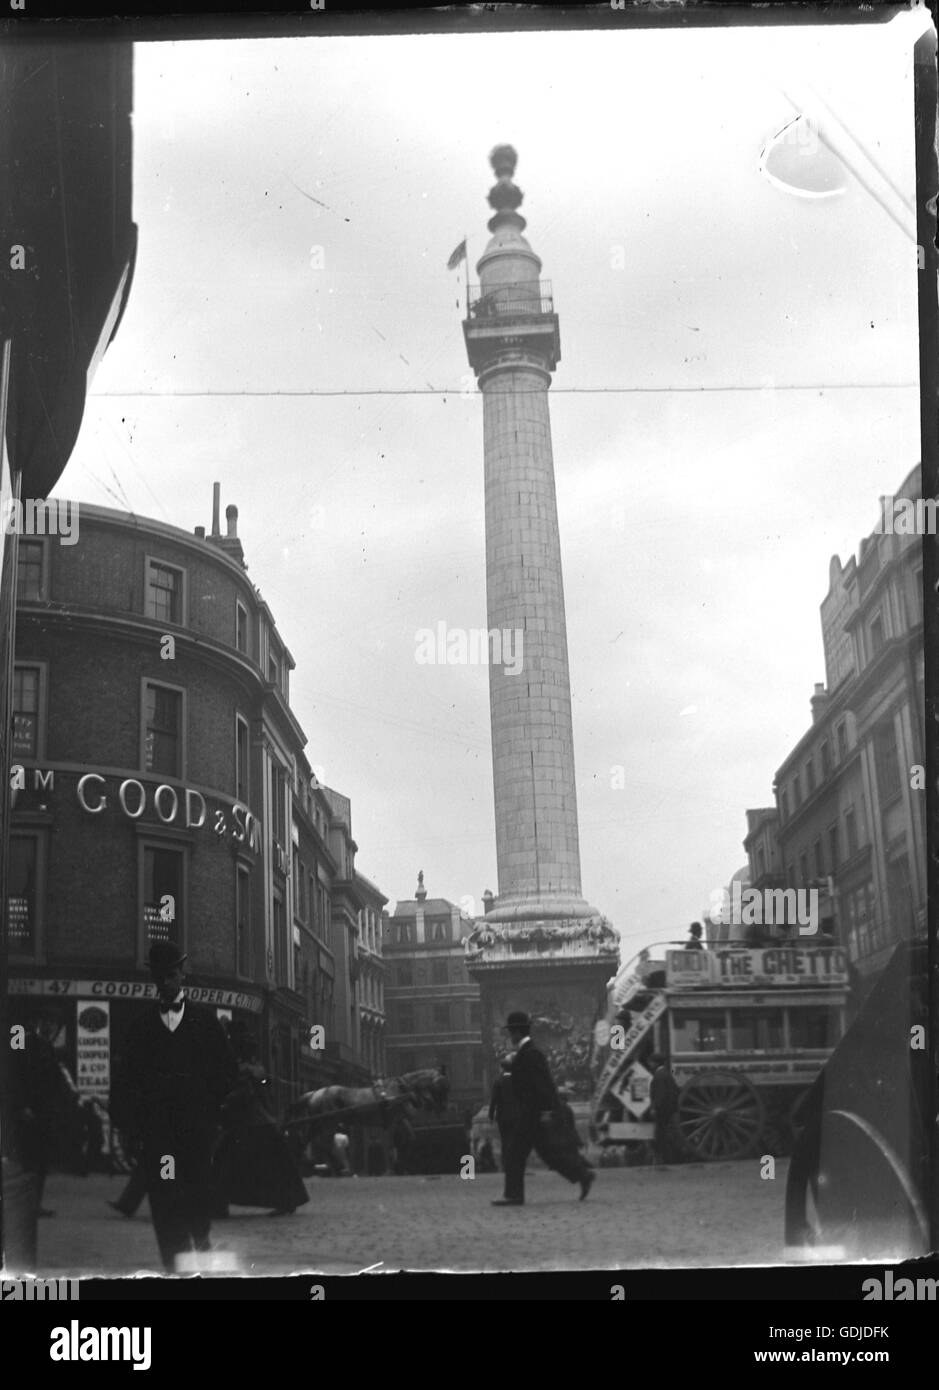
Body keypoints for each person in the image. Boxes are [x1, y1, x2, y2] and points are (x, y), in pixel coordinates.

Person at [109, 942, 237, 1272]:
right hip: (158, 1138)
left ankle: (201, 1242)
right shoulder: (141, 1028)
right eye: (159, 977)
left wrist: (211, 1111)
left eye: (171, 975)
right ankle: (175, 1268)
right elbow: (124, 1079)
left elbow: (227, 1073)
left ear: (182, 975)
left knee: (196, 1195)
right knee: (165, 1201)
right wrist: (128, 1124)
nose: (165, 983)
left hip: (195, 1133)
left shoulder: (205, 1024)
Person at [492, 1011, 594, 1206]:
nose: (509, 1037)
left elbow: (544, 1085)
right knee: (549, 1154)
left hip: (532, 1114)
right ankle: (583, 1175)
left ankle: (514, 1195)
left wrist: (546, 1112)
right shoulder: (527, 1053)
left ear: (516, 1032)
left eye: (510, 1032)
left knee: (514, 1153)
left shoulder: (531, 1054)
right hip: (532, 1113)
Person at [213, 1054, 309, 1216]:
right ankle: (286, 1200)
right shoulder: (256, 1072)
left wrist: (225, 1103)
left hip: (251, 1124)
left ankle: (219, 1203)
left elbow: (245, 1094)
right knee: (272, 1166)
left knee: (227, 1163)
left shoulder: (246, 1072)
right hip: (258, 1123)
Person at [488, 1055, 520, 1170]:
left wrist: (491, 1115)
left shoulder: (498, 1081)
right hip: (516, 1116)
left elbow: (494, 1100)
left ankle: (506, 1164)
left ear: (502, 1068)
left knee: (505, 1140)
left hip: (503, 1117)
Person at [648, 1054, 680, 1165]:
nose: (650, 1064)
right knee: (664, 1132)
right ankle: (667, 1158)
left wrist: (654, 1108)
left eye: (651, 1062)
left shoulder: (659, 1075)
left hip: (662, 1109)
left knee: (660, 1134)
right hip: (668, 1108)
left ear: (655, 1063)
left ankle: (662, 1158)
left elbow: (660, 1094)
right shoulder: (666, 1074)